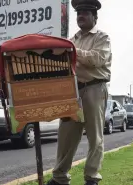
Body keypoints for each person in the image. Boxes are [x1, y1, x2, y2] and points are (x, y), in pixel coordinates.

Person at [46, 0, 112, 185]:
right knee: (66, 135)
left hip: (94, 89)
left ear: (94, 17)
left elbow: (97, 60)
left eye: (85, 12)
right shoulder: (71, 40)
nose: (80, 16)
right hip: (72, 91)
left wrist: (71, 51)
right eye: (78, 13)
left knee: (95, 136)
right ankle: (60, 177)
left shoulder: (101, 37)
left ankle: (92, 178)